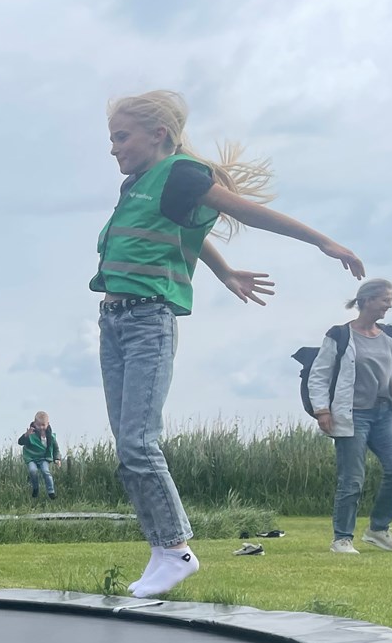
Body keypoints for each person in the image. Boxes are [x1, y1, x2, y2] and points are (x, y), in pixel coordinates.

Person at [92, 90, 364, 598]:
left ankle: (176, 550)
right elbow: (185, 233)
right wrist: (225, 272)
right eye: (112, 138)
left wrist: (321, 240)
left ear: (158, 134)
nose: (113, 148)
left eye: (121, 136)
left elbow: (248, 212)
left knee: (139, 442)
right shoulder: (138, 185)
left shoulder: (181, 173)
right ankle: (162, 551)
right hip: (114, 322)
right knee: (128, 449)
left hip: (149, 320)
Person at [309, 279, 392, 554]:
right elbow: (319, 375)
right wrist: (322, 410)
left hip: (384, 414)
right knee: (352, 479)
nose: (389, 305)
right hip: (352, 415)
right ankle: (342, 539)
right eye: (385, 300)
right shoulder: (339, 335)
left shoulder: (391, 335)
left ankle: (378, 530)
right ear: (367, 300)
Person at [17, 412, 61, 501]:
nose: (41, 427)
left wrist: (57, 459)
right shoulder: (31, 434)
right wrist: (26, 435)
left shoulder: (51, 436)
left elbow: (56, 448)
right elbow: (20, 442)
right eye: (38, 425)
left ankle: (51, 492)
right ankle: (35, 488)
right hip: (31, 458)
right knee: (33, 471)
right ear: (34, 424)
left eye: (43, 425)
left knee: (46, 471)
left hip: (44, 458)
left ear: (47, 424)